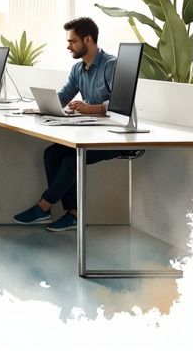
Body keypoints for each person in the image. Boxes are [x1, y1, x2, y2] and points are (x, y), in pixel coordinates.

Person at [13, 17, 130, 232]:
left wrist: (90, 108)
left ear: (88, 39)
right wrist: (42, 106)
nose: (68, 46)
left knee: (70, 159)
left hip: (113, 137)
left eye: (72, 41)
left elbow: (120, 103)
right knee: (51, 154)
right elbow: (64, 96)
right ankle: (72, 214)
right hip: (92, 133)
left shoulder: (111, 65)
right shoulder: (78, 69)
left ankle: (43, 206)